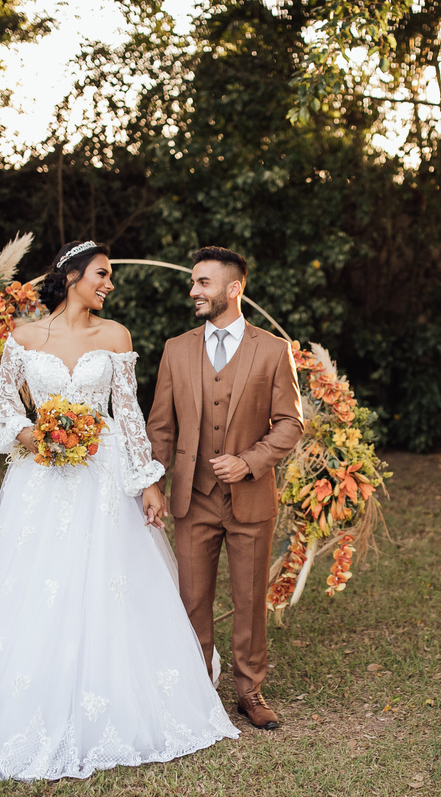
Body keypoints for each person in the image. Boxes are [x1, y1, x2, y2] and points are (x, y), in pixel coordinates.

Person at [0, 241, 239, 782]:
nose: (109, 284)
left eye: (109, 276)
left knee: (108, 582)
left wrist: (148, 484)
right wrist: (31, 434)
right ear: (71, 278)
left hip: (102, 475)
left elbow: (129, 416)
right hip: (40, 476)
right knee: (34, 582)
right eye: (102, 275)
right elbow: (1, 402)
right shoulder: (24, 337)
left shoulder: (115, 337)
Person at [145, 246, 303, 730]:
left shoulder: (274, 350)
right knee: (192, 597)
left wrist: (249, 462)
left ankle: (249, 690)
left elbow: (290, 423)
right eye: (193, 282)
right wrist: (154, 481)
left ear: (234, 289)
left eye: (204, 283)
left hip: (250, 497)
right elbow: (161, 428)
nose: (193, 290)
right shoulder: (176, 348)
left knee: (250, 597)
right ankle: (197, 689)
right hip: (192, 497)